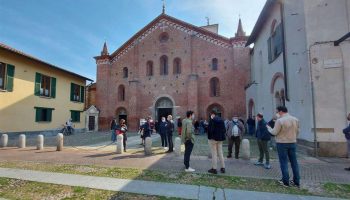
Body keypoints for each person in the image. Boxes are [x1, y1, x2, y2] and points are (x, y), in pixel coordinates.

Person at [267, 106, 300, 187]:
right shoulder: (295, 119)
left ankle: (285, 181)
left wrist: (268, 128)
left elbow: (274, 132)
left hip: (282, 143)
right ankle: (296, 181)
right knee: (294, 162)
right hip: (292, 142)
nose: (277, 113)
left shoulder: (280, 120)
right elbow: (298, 131)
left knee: (283, 162)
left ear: (281, 111)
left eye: (277, 112)